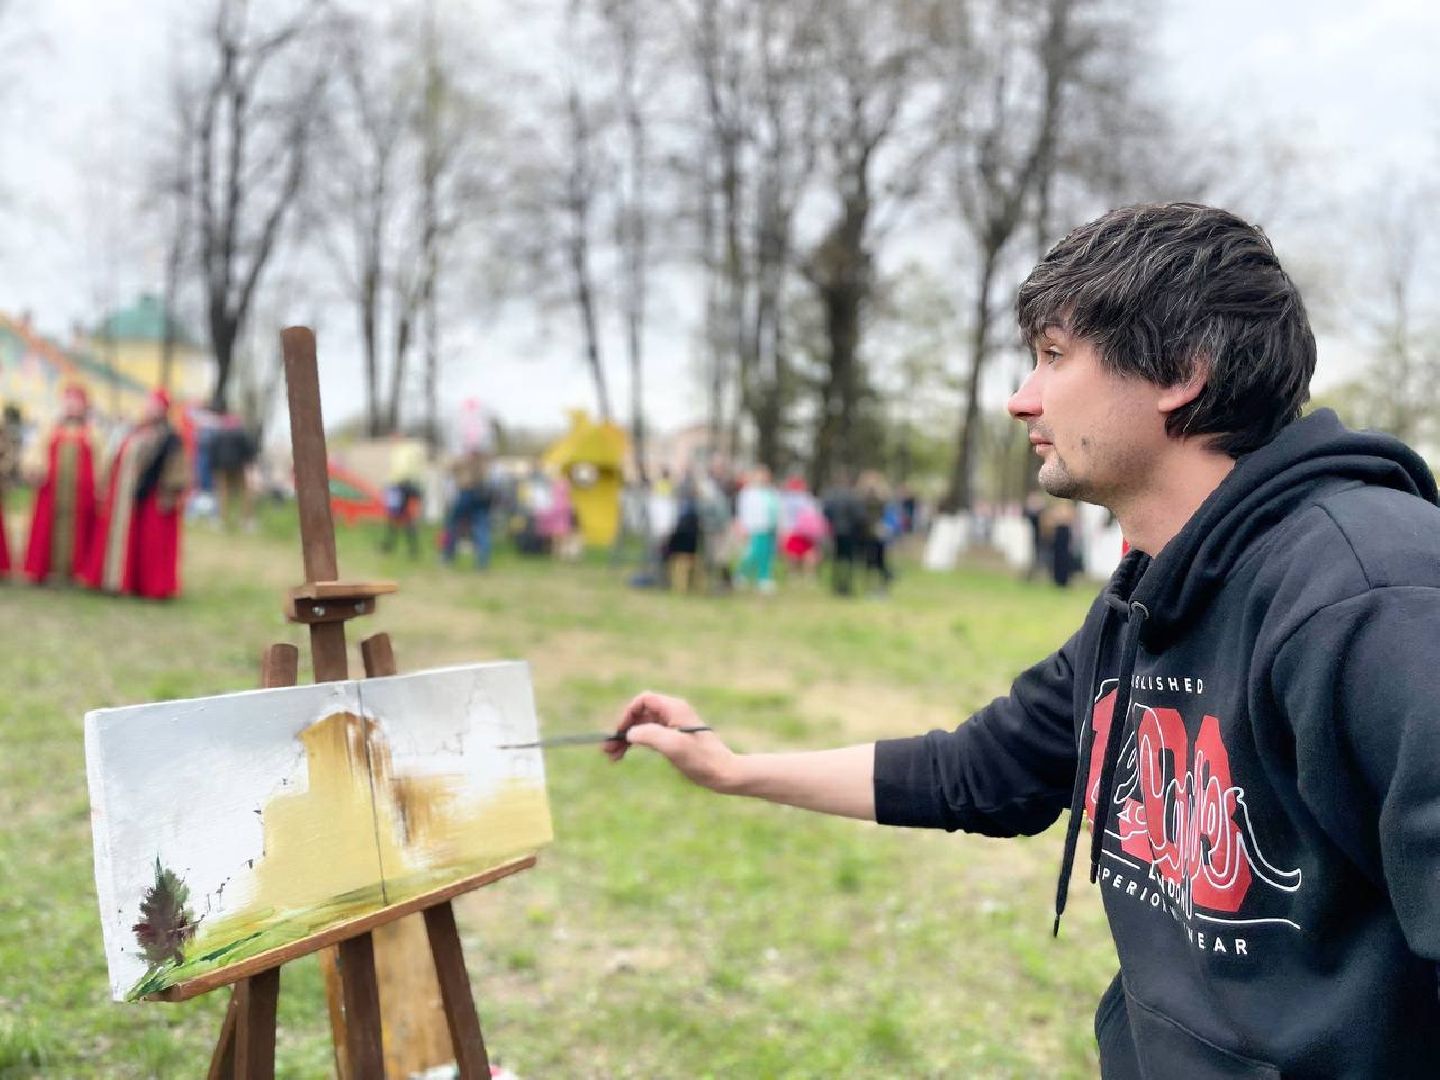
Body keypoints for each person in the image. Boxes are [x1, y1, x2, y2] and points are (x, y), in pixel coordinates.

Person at [606, 203, 1440, 1078]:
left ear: (1180, 374)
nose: (1020, 398)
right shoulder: (1145, 597)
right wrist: (735, 770)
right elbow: (983, 769)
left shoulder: (1375, 594)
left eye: (1051, 355)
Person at [82, 388, 188, 599]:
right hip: (125, 496)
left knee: (151, 545)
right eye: (149, 404)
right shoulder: (135, 431)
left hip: (154, 496)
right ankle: (115, 579)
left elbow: (176, 468)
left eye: (156, 405)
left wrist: (169, 493)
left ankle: (152, 586)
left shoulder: (170, 437)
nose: (151, 409)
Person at [22, 386, 98, 586]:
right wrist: (35, 469)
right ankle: (44, 570)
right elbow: (35, 452)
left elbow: (102, 461)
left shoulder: (93, 432)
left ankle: (76, 571)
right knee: (46, 528)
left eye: (76, 401)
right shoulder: (50, 428)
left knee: (80, 531)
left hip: (82, 494)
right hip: (51, 490)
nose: (72, 405)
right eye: (68, 400)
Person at [443, 447, 495, 569]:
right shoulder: (484, 461)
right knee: (481, 528)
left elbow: (449, 469)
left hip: (466, 494)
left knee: (453, 525)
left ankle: (448, 556)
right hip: (480, 495)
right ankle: (482, 562)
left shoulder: (464, 461)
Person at [734, 465, 781, 593]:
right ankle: (742, 573)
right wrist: (743, 527)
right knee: (755, 552)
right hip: (755, 526)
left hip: (769, 526)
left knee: (766, 553)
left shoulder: (771, 492)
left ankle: (764, 578)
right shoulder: (748, 492)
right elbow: (743, 512)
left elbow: (777, 510)